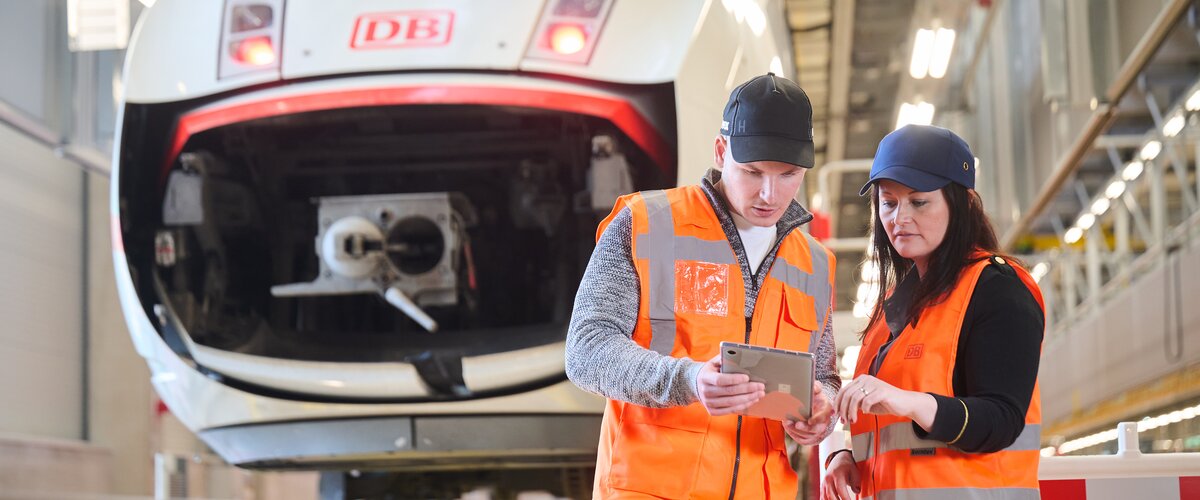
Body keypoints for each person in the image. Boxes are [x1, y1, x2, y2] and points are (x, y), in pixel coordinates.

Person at [564, 72, 840, 499]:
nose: (769, 193)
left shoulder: (816, 263)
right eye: (752, 171)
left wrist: (823, 409)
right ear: (720, 151)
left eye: (788, 174)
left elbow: (823, 375)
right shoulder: (647, 224)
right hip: (651, 489)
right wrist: (689, 381)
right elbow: (586, 349)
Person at [823, 125, 1045, 500]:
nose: (899, 218)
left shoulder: (998, 289)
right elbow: (890, 433)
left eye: (918, 202)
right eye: (888, 202)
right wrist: (847, 455)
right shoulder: (893, 306)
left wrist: (905, 399)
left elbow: (1001, 420)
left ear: (961, 204)